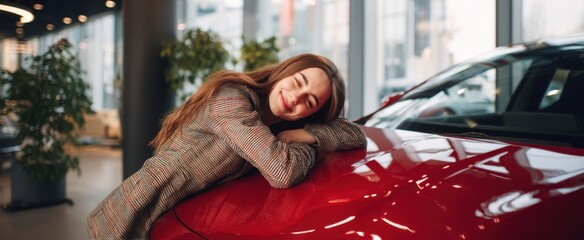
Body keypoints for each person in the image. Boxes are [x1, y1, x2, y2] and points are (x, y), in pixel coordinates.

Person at [87, 53, 367, 239]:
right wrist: (304, 142)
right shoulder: (230, 99)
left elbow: (355, 134)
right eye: (297, 82)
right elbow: (282, 172)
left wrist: (300, 136)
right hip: (130, 217)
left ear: (312, 114)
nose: (295, 97)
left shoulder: (275, 129)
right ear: (284, 72)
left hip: (173, 224)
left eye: (309, 101)